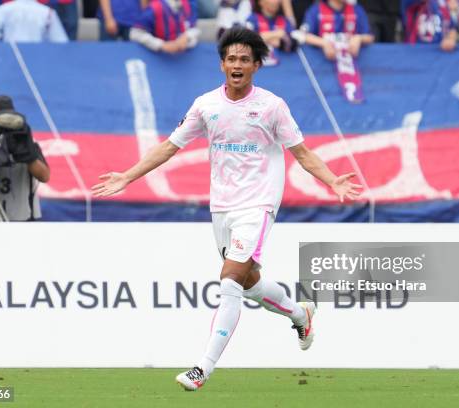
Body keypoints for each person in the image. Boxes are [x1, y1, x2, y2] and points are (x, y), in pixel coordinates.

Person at [92, 27, 362, 391]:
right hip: (222, 208)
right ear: (222, 64)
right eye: (231, 59)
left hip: (259, 205)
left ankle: (202, 368)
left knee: (230, 281)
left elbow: (302, 153)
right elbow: (169, 146)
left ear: (256, 66)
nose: (237, 65)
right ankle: (301, 313)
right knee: (249, 286)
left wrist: (331, 180)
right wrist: (128, 176)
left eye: (245, 60)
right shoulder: (206, 105)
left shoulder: (272, 106)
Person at [297, 0, 374, 60]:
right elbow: (303, 35)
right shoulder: (315, 10)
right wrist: (323, 43)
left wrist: (359, 38)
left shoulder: (357, 9)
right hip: (322, 67)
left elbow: (370, 36)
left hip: (353, 66)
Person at [128, 0, 200, 53]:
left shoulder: (187, 4)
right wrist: (161, 45)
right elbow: (135, 33)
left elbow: (194, 28)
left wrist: (187, 37)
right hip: (160, 59)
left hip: (185, 57)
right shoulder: (154, 9)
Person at [0, 0, 69, 42]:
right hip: (12, 56)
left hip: (38, 59)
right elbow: (60, 41)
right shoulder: (48, 12)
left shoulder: (4, 9)